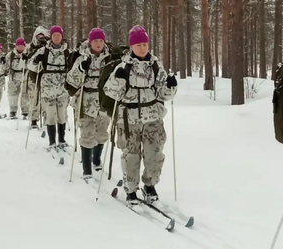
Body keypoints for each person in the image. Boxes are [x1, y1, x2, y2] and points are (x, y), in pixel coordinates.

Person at [102, 25, 177, 203]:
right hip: (129, 119)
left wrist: (170, 86)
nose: (142, 48)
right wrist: (117, 79)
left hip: (153, 118)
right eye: (139, 45)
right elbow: (110, 92)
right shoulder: (123, 67)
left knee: (155, 154)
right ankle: (130, 189)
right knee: (131, 155)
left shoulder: (156, 67)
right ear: (132, 47)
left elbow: (165, 95)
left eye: (145, 44)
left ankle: (150, 185)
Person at [66, 28, 112, 181]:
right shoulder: (82, 58)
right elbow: (71, 81)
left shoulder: (110, 59)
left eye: (101, 41)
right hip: (85, 101)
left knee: (101, 132)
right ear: (90, 42)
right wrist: (80, 69)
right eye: (95, 41)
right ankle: (87, 169)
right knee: (87, 134)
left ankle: (96, 159)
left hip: (103, 101)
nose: (98, 44)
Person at [27, 25, 70, 150]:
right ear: (51, 37)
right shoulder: (43, 51)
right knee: (50, 115)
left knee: (62, 115)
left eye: (59, 35)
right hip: (47, 88)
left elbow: (73, 68)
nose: (56, 37)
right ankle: (52, 141)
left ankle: (61, 139)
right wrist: (36, 62)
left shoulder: (67, 51)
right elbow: (30, 66)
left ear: (62, 37)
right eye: (54, 35)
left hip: (62, 88)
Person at [25, 26, 50, 129]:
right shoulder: (30, 47)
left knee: (45, 99)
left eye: (42, 37)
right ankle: (33, 119)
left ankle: (47, 120)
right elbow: (26, 59)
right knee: (33, 97)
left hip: (45, 75)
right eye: (39, 36)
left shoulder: (48, 47)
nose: (40, 39)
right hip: (32, 75)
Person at [6, 38, 29, 120]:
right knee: (12, 95)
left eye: (22, 46)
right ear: (16, 46)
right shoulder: (10, 55)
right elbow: (6, 66)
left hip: (25, 77)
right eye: (18, 46)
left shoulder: (28, 53)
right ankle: (13, 111)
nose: (20, 47)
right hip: (14, 77)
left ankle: (25, 112)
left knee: (25, 95)